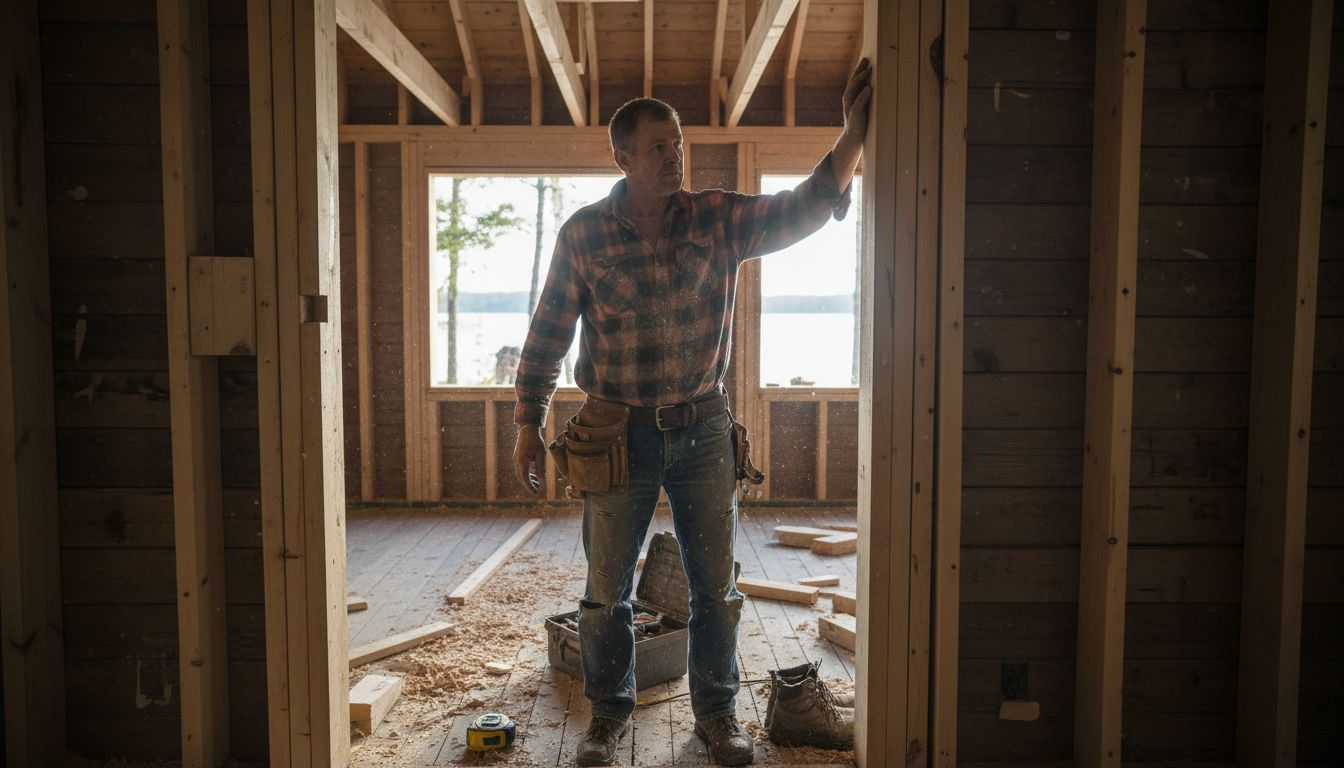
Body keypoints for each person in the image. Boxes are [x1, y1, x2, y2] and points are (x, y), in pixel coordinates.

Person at [512, 59, 872, 767]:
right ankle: (608, 716)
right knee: (605, 593)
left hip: (704, 431)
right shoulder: (584, 235)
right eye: (658, 147)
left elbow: (802, 208)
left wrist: (852, 136)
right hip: (618, 433)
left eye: (678, 144)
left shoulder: (717, 216)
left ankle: (717, 716)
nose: (674, 156)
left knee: (717, 588)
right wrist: (529, 418)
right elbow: (548, 329)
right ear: (622, 157)